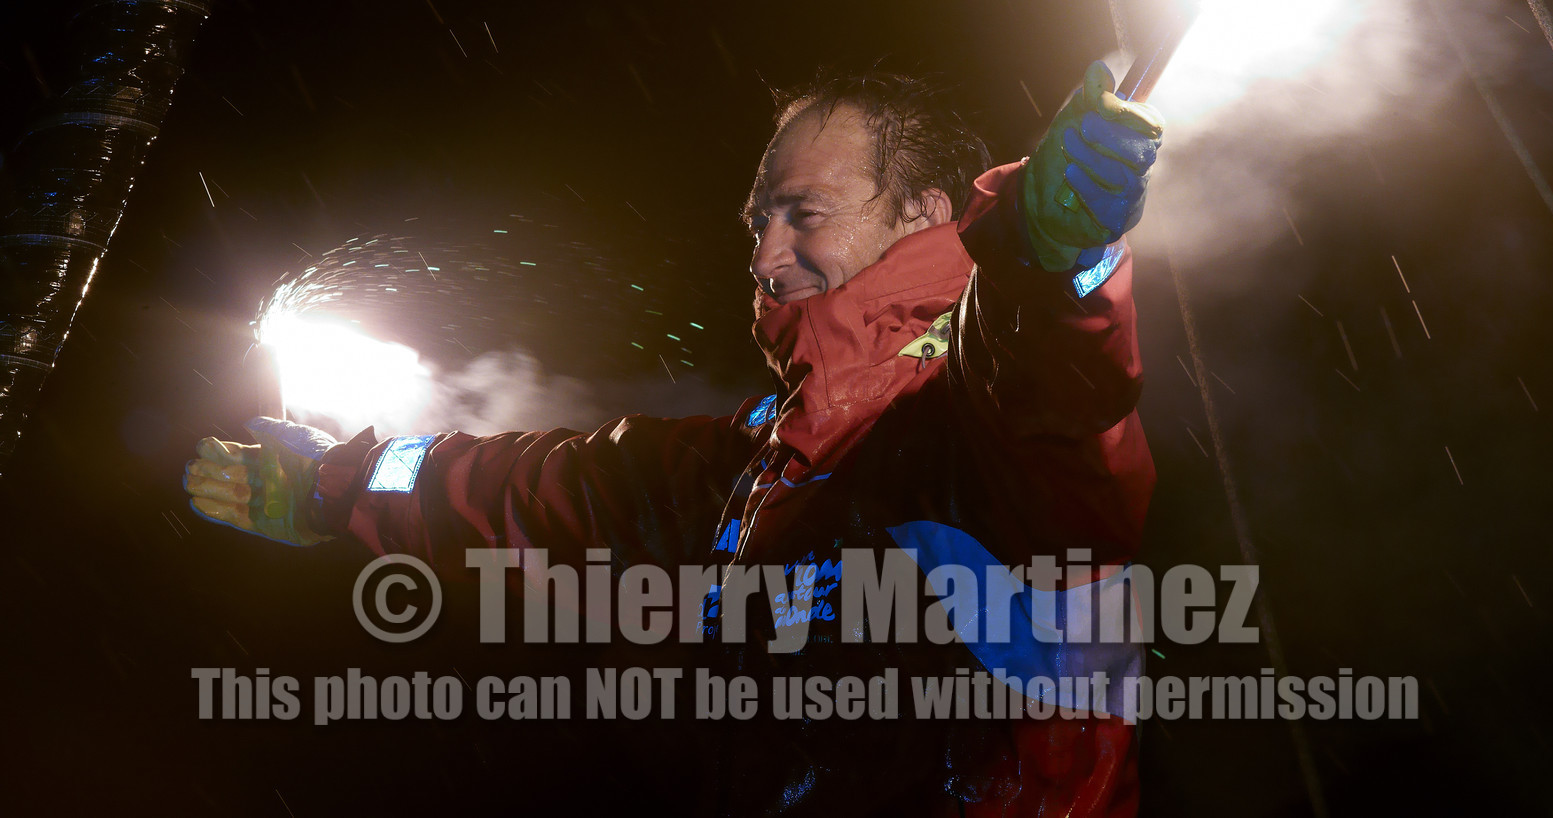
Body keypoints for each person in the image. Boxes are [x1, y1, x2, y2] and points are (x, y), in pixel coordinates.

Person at [185, 60, 1163, 816]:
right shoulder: (744, 474)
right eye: (758, 222)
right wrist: (339, 480)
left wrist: (1051, 256)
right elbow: (530, 489)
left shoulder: (969, 412)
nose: (765, 253)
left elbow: (1052, 387)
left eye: (803, 213)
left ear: (922, 213)